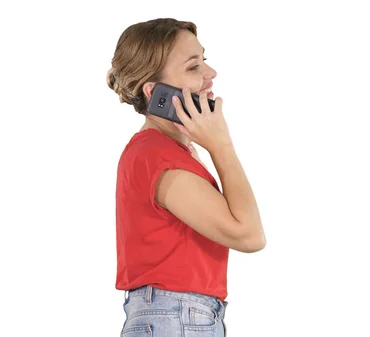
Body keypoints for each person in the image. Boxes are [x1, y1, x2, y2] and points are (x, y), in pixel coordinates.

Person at [107, 18, 266, 336]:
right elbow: (249, 235)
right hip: (176, 315)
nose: (211, 74)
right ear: (156, 93)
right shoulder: (155, 155)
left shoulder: (166, 154)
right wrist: (221, 146)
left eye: (204, 60)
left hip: (177, 315)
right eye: (193, 67)